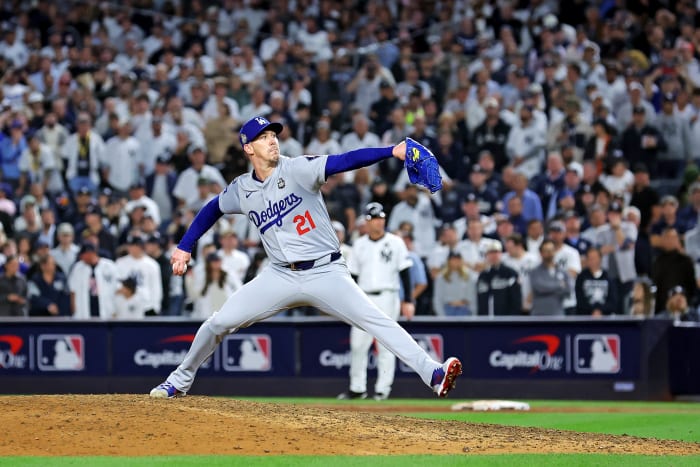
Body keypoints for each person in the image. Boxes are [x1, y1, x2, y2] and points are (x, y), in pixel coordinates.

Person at [150, 116, 462, 399]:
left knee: (376, 320)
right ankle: (179, 380)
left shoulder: (297, 168)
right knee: (219, 323)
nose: (272, 140)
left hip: (326, 272)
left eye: (273, 134)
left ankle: (432, 373)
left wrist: (391, 151)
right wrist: (185, 245)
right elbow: (212, 209)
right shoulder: (242, 189)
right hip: (280, 275)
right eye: (263, 137)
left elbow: (345, 160)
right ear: (248, 148)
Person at [338, 202, 414, 401]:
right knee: (357, 344)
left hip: (388, 296)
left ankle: (382, 389)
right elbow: (352, 277)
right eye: (374, 219)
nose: (378, 222)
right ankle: (357, 388)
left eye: (381, 218)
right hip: (363, 298)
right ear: (367, 221)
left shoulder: (396, 242)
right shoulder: (360, 244)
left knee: (386, 345)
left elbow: (406, 272)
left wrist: (408, 300)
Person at [476, 240, 521, 317]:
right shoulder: (482, 276)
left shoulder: (510, 273)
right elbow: (479, 300)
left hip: (506, 321)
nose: (494, 256)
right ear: (486, 255)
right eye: (490, 253)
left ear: (501, 254)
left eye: (496, 252)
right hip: (485, 321)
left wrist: (512, 320)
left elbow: (516, 300)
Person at [530, 239, 571, 316]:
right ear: (541, 253)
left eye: (551, 250)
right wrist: (559, 285)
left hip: (558, 314)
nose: (549, 253)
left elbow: (568, 290)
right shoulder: (535, 271)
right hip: (539, 315)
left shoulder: (562, 271)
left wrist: (547, 287)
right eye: (546, 250)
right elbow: (539, 288)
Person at [432, 251, 476, 316]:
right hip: (448, 309)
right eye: (453, 259)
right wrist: (441, 316)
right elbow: (438, 298)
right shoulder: (441, 277)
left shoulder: (468, 275)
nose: (456, 261)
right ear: (448, 261)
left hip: (464, 310)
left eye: (458, 259)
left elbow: (472, 296)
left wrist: (473, 313)